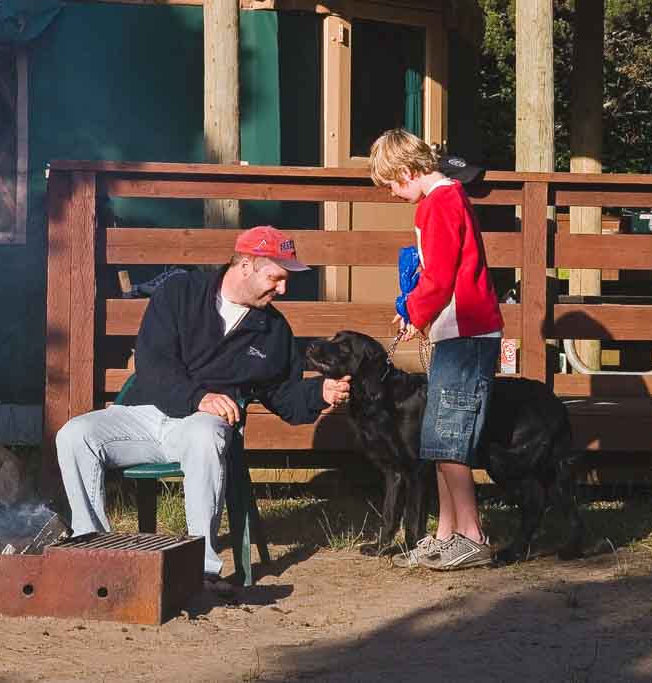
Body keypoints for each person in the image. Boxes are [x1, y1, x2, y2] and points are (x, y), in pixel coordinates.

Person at [55, 225, 351, 590]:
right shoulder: (180, 293)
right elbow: (153, 365)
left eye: (286, 279)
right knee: (74, 434)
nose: (283, 289)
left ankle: (200, 571)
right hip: (145, 412)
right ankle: (93, 552)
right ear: (246, 265)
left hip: (201, 426)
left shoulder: (273, 331)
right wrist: (198, 396)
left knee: (206, 433)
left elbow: (282, 395)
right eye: (276, 277)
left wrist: (319, 393)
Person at [370, 129, 503, 570]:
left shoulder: (439, 204)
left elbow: (440, 275)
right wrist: (420, 314)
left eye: (392, 183)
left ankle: (472, 534)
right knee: (437, 439)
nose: (392, 192)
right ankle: (446, 533)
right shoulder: (446, 199)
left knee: (449, 439)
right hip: (456, 331)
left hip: (465, 333)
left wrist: (413, 309)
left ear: (407, 172)